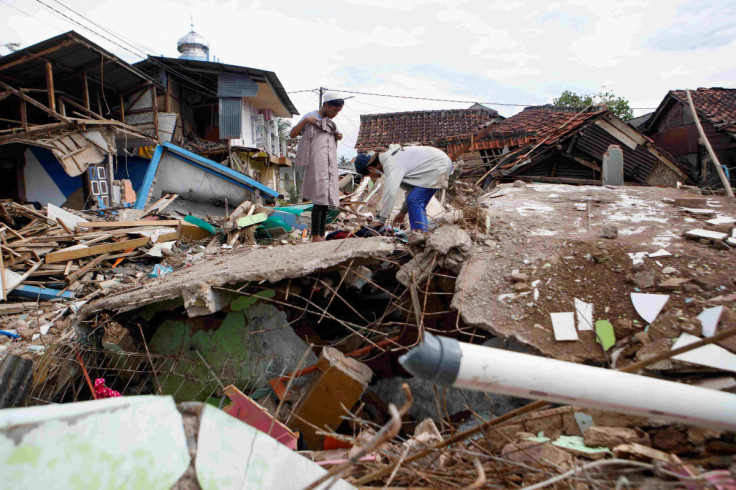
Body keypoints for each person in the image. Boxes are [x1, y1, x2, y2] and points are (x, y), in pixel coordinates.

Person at [354, 145, 452, 233]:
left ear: (371, 169)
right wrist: (402, 212)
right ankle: (423, 234)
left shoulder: (391, 164)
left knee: (414, 200)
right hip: (438, 164)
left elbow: (390, 192)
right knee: (416, 201)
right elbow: (411, 190)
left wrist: (381, 220)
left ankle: (420, 236)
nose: (373, 177)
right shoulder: (392, 161)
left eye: (369, 175)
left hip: (438, 165)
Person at [290, 93, 344, 242]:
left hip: (328, 163)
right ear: (326, 105)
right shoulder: (311, 117)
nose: (335, 115)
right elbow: (293, 134)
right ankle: (316, 235)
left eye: (338, 112)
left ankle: (321, 233)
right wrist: (306, 121)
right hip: (316, 162)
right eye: (334, 111)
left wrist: (337, 136)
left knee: (326, 199)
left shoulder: (329, 123)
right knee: (319, 198)